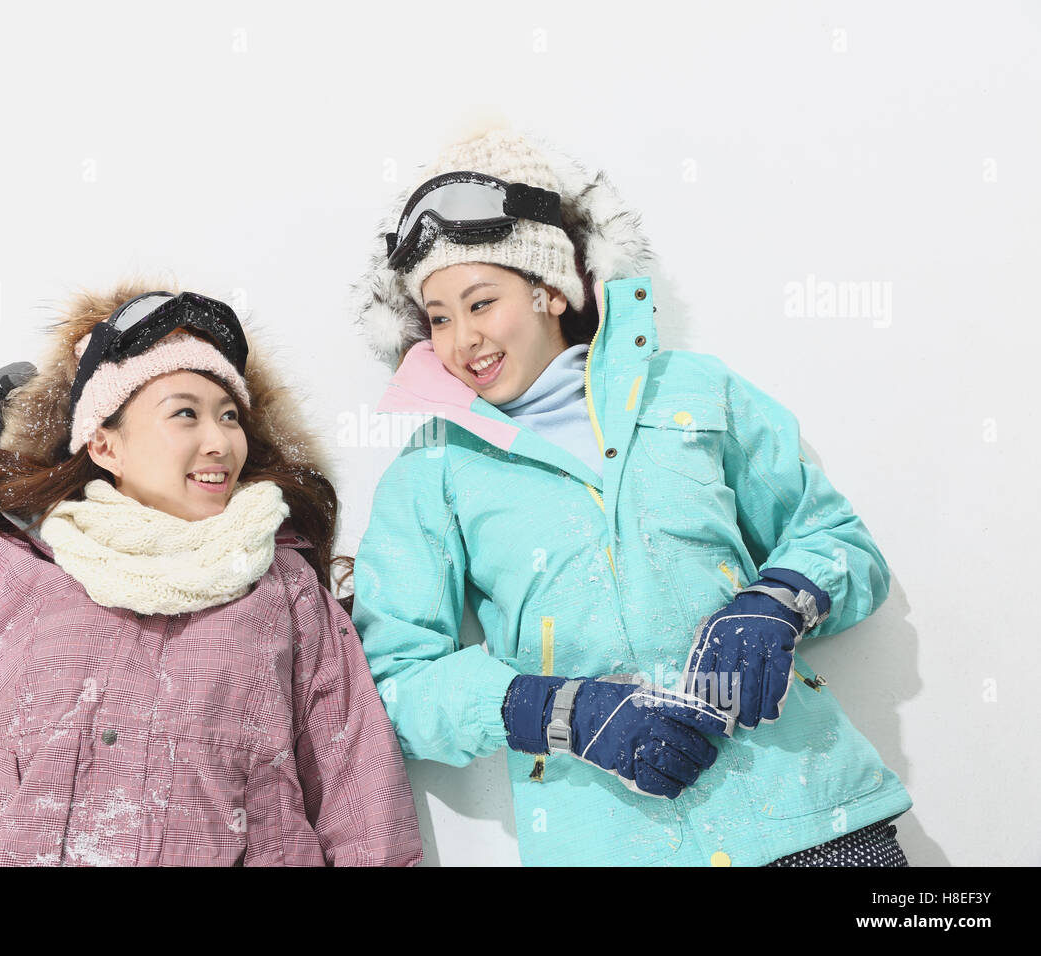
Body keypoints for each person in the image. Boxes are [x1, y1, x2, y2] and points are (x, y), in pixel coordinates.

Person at [349, 128, 911, 866]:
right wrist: (558, 711)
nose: (462, 340)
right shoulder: (433, 471)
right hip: (614, 845)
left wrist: (780, 601)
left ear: (550, 290)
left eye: (481, 302)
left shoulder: (694, 391)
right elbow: (397, 685)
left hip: (812, 819)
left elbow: (839, 539)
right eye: (439, 318)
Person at [0, 277, 422, 866]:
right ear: (105, 444)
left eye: (230, 415)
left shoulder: (281, 586)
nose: (219, 441)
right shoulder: (14, 573)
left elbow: (356, 779)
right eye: (185, 413)